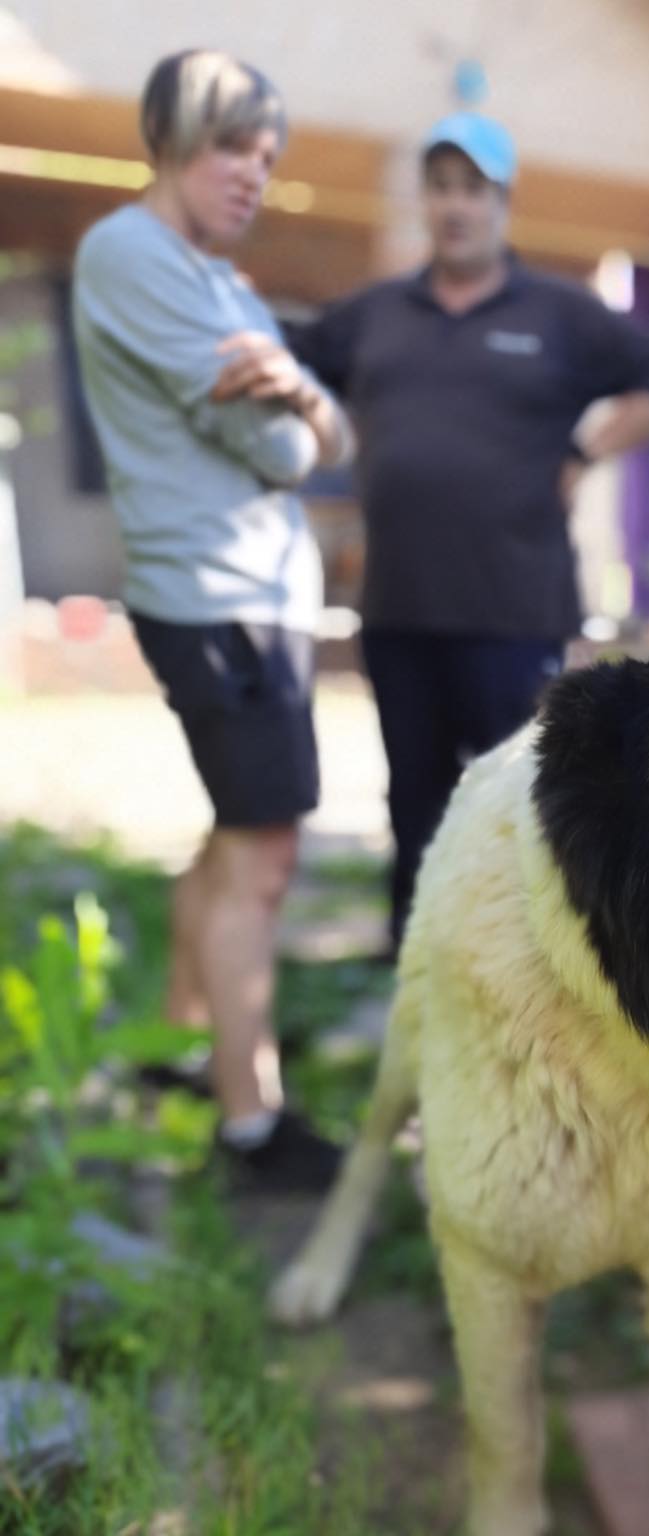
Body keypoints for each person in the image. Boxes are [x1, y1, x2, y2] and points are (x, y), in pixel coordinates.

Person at [275, 114, 649, 955]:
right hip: (400, 607)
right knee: (411, 792)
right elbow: (286, 361)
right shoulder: (376, 314)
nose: (456, 206)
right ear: (426, 201)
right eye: (442, 187)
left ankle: (513, 952)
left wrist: (583, 449)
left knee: (511, 791)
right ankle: (413, 948)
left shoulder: (561, 314)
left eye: (473, 190)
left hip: (514, 608)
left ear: (501, 203)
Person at [73, 50, 353, 1193]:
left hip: (260, 599)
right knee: (266, 857)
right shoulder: (129, 253)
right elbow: (289, 447)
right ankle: (252, 1125)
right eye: (234, 145)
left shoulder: (225, 287)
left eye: (268, 157)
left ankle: (188, 1045)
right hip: (215, 600)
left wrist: (298, 400)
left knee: (233, 835)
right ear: (174, 135)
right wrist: (297, 412)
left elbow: (330, 437)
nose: (255, 175)